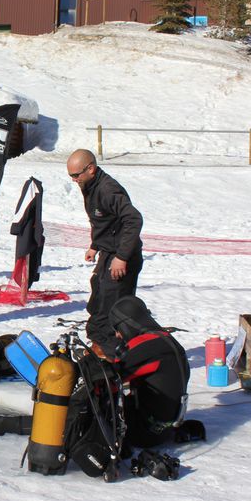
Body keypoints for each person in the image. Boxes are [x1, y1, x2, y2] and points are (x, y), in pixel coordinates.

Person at [66, 148, 143, 358]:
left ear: (91, 169)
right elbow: (104, 222)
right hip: (108, 252)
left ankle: (113, 356)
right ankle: (99, 345)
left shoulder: (108, 190)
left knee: (113, 306)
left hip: (122, 256)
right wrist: (95, 245)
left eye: (76, 175)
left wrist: (122, 257)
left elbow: (133, 220)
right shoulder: (90, 185)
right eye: (70, 176)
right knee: (98, 297)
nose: (74, 180)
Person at [109, 296, 199, 449]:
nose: (118, 335)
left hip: (146, 434)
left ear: (126, 323)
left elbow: (111, 378)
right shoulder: (166, 339)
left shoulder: (144, 346)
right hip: (167, 426)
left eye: (118, 328)